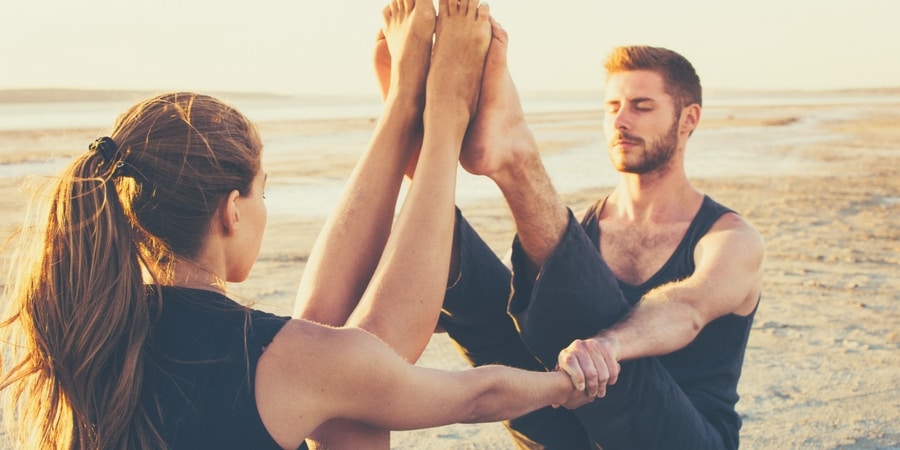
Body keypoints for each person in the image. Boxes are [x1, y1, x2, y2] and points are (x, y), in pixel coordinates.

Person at [0, 2, 594, 449]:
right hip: (322, 368)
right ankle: (439, 120)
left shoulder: (86, 323)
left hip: (311, 366)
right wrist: (568, 383)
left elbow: (315, 359)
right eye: (263, 193)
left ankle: (406, 114)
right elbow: (474, 397)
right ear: (230, 211)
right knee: (352, 374)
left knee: (338, 368)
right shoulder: (285, 360)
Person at [436, 26, 765, 450]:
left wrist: (607, 347)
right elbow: (488, 307)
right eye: (613, 107)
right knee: (491, 300)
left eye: (641, 107)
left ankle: (516, 159)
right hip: (568, 435)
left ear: (689, 120)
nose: (621, 121)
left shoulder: (731, 239)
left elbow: (688, 308)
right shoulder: (579, 235)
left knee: (590, 336)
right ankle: (425, 148)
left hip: (680, 435)